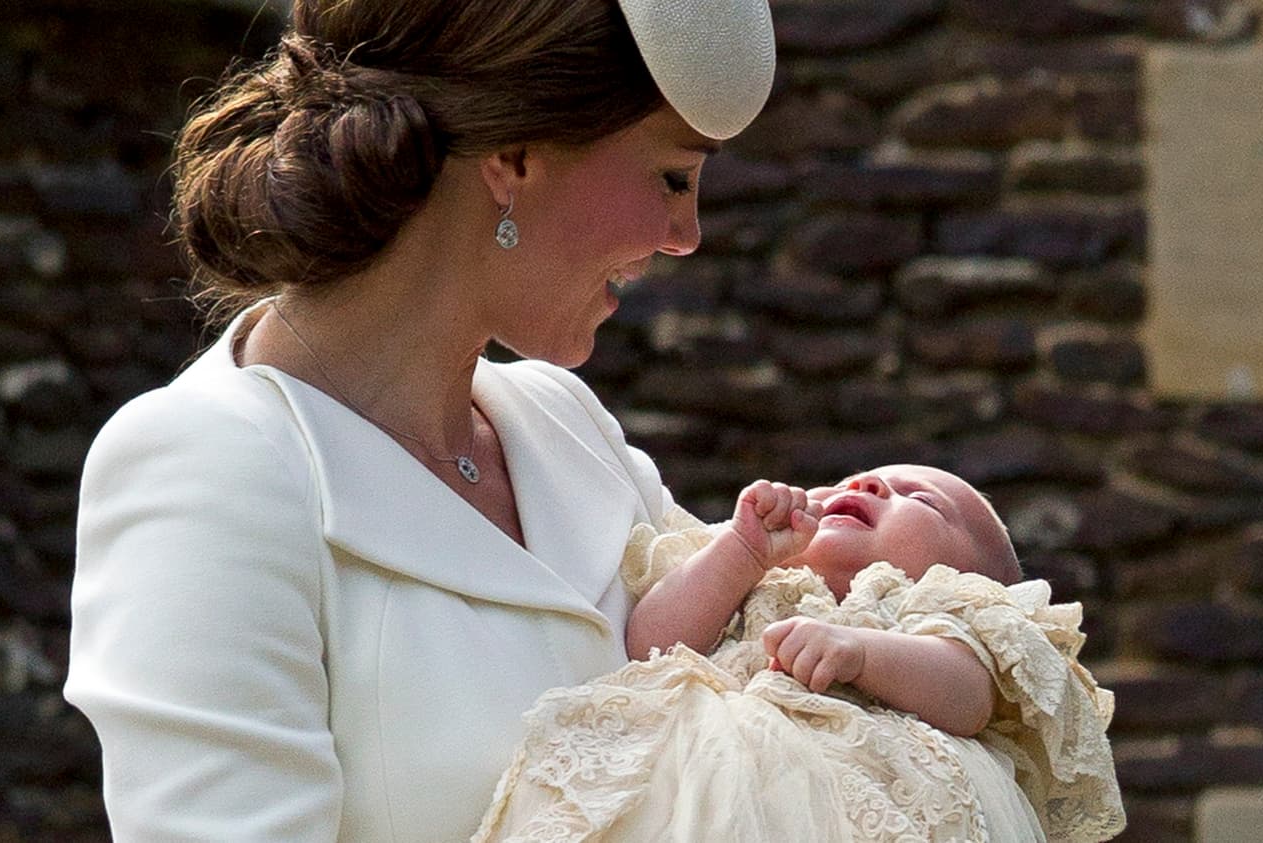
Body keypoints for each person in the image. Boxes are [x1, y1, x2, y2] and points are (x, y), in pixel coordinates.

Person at [63, 1, 776, 840]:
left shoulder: (564, 422)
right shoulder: (206, 468)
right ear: (513, 157)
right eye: (671, 177)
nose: (686, 234)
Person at [473, 465, 1127, 842]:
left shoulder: (935, 611)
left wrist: (863, 653)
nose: (871, 483)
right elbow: (647, 643)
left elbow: (967, 695)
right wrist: (739, 552)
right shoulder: (758, 580)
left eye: (920, 500)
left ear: (972, 576)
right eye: (854, 480)